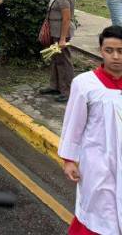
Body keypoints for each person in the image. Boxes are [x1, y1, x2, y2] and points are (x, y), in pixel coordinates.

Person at [58, 25, 122, 235]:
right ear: (100, 50)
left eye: (121, 51)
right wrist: (69, 160)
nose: (115, 57)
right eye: (109, 50)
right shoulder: (85, 84)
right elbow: (73, 125)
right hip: (98, 165)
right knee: (98, 217)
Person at [38, 0, 77, 103]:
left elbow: (66, 19)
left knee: (64, 61)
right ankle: (55, 86)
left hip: (61, 33)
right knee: (56, 59)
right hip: (55, 31)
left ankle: (67, 91)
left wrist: (62, 38)